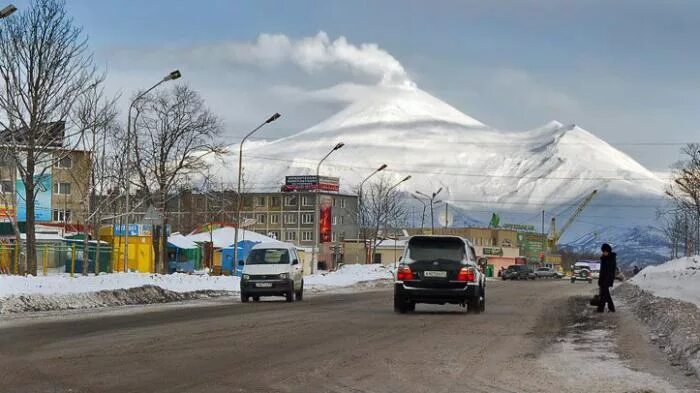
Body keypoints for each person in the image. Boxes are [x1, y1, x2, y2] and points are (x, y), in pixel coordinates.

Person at [597, 243, 617, 313]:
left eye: (605, 251)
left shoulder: (612, 258)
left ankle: (600, 309)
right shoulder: (603, 258)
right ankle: (611, 308)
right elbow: (602, 270)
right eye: (603, 251)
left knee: (603, 294)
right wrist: (600, 279)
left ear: (608, 251)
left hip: (608, 278)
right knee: (606, 294)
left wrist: (607, 279)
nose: (604, 253)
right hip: (603, 278)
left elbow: (611, 270)